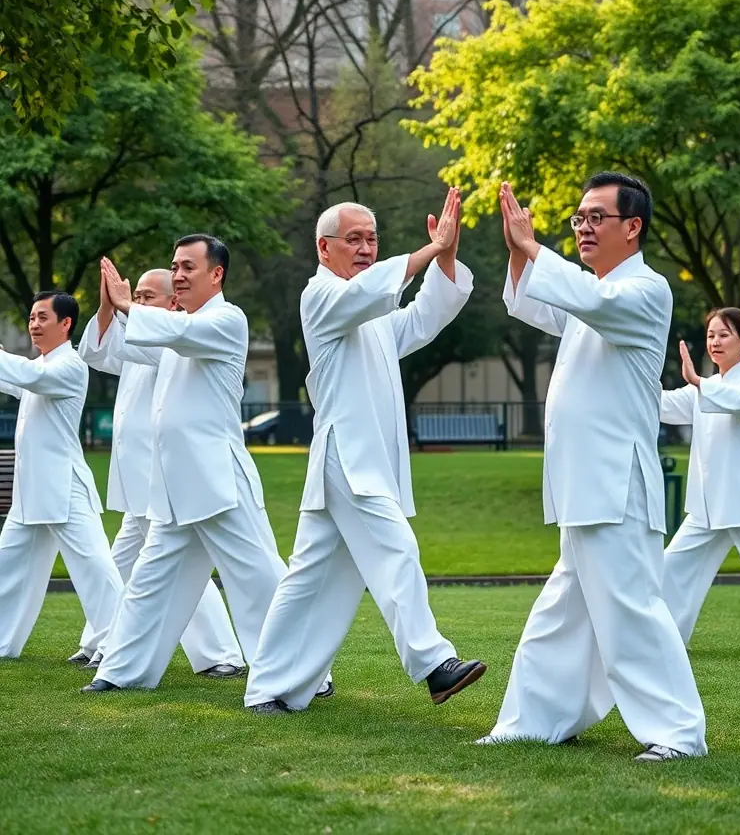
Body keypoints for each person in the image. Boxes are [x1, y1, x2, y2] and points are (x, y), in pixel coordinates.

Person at [480, 174, 707, 762]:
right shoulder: (594, 295)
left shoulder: (644, 291)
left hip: (615, 483)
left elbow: (583, 297)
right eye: (578, 218)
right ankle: (536, 720)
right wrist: (515, 249)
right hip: (584, 482)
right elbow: (536, 303)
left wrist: (533, 249)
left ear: (632, 228)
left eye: (595, 217)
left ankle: (679, 734)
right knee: (562, 613)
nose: (582, 227)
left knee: (630, 609)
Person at [245, 190, 487, 715]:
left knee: (309, 577)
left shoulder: (373, 310)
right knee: (396, 549)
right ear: (323, 247)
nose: (365, 248)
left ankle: (272, 688)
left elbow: (424, 317)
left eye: (372, 239)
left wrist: (444, 254)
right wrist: (427, 252)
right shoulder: (321, 296)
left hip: (363, 458)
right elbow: (374, 293)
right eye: (352, 239)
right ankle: (432, 663)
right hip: (348, 457)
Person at [82, 235, 288, 693]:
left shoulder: (226, 319)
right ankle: (122, 673)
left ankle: (306, 678)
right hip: (175, 488)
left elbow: (177, 332)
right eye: (174, 266)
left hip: (219, 481)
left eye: (188, 267)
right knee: (150, 583)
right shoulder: (175, 328)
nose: (178, 274)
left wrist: (128, 306)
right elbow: (108, 352)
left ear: (216, 274)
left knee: (259, 579)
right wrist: (109, 306)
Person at [70, 264, 245, 677]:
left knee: (174, 568)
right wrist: (107, 305)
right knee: (123, 564)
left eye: (149, 296)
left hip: (164, 478)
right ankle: (102, 641)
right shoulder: (147, 335)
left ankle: (220, 654)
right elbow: (96, 351)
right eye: (140, 295)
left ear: (171, 303)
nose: (140, 302)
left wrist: (129, 307)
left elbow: (149, 336)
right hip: (137, 478)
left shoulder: (178, 336)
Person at [0, 291, 122, 658]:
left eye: (42, 318)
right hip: (30, 495)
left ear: (65, 324)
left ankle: (119, 645)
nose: (34, 325)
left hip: (65, 490)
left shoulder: (69, 366)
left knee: (96, 571)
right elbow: (17, 380)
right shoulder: (43, 368)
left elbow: (29, 375)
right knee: (7, 568)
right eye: (32, 318)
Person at [661, 309, 740, 643]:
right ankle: (664, 642)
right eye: (711, 335)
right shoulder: (704, 389)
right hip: (706, 508)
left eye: (724, 334)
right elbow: (660, 404)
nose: (715, 342)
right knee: (670, 569)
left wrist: (698, 382)